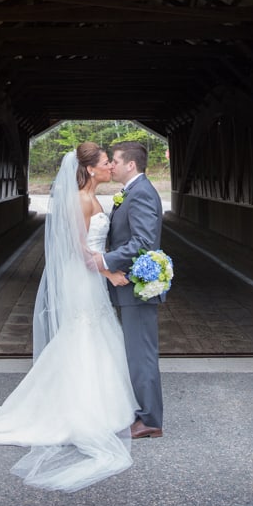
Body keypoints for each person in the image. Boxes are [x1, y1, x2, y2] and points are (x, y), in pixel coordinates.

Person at [0, 143, 139, 492]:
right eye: (107, 162)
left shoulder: (95, 198)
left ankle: (100, 407)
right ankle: (79, 410)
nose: (111, 166)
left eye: (111, 162)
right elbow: (79, 248)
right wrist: (108, 273)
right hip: (84, 279)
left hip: (90, 278)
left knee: (91, 338)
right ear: (91, 169)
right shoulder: (80, 200)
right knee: (82, 337)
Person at [97, 140, 166, 439]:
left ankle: (150, 419)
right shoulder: (133, 192)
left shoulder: (141, 195)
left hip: (137, 289)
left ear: (131, 165)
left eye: (115, 160)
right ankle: (143, 412)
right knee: (136, 353)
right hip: (130, 288)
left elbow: (143, 242)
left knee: (141, 355)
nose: (111, 165)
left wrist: (103, 261)